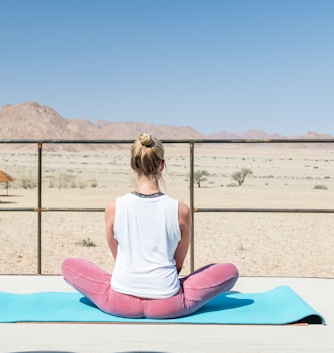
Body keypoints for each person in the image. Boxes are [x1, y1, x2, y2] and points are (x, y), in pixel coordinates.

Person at [61, 133, 239, 319]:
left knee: (69, 266)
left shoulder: (114, 207)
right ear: (162, 165)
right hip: (169, 303)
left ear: (133, 165)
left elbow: (117, 255)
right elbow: (178, 263)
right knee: (229, 271)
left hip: (119, 300)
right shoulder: (181, 210)